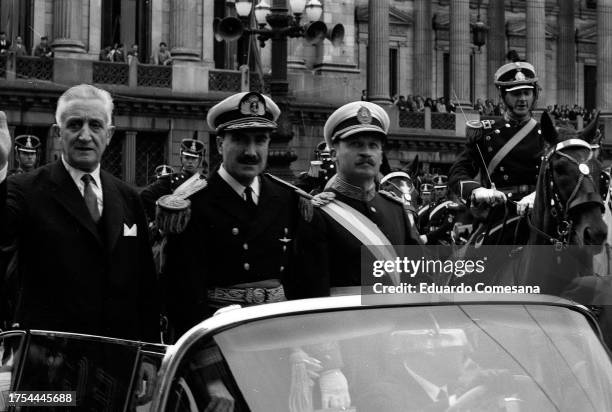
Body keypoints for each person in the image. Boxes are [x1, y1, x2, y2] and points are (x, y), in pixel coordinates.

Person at [0, 84, 159, 341]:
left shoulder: (127, 196)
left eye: (95, 125)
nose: (85, 135)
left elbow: (145, 286)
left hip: (118, 357)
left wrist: (150, 353)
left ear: (109, 134)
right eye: (75, 125)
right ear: (57, 132)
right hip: (49, 359)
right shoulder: (24, 190)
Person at [164, 91, 313, 336]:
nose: (251, 151)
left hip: (279, 335)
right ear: (220, 144)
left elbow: (302, 281)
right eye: (241, 140)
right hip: (220, 339)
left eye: (260, 140)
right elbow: (182, 296)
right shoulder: (192, 204)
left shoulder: (288, 199)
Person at [292, 101, 421, 297]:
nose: (366, 152)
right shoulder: (317, 214)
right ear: (334, 153)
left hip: (397, 322)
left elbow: (421, 277)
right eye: (356, 144)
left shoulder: (395, 209)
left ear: (380, 155)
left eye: (373, 145)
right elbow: (310, 294)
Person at [448, 57, 545, 244]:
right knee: (470, 269)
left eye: (527, 93)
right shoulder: (486, 132)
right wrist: (478, 191)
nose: (523, 99)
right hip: (499, 216)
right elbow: (457, 173)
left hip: (539, 215)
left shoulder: (546, 134)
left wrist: (538, 196)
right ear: (502, 96)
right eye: (516, 94)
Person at [140, 138, 206, 222]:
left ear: (199, 160)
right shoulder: (170, 180)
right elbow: (145, 195)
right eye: (187, 157)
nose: (190, 162)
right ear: (181, 157)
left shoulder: (204, 183)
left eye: (194, 158)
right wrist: (162, 216)